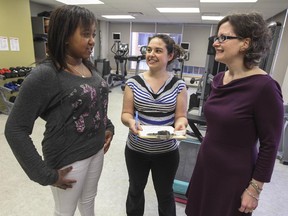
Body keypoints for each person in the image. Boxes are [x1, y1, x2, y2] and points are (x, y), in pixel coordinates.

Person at [5, 5, 114, 216]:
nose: (92, 40)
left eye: (93, 34)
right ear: (64, 36)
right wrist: (45, 174)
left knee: (89, 200)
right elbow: (15, 129)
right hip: (69, 157)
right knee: (65, 211)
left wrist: (107, 126)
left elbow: (95, 103)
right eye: (85, 34)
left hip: (96, 150)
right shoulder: (45, 75)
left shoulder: (89, 66)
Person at [185, 12, 284, 216]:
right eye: (216, 38)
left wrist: (254, 190)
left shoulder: (265, 87)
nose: (215, 43)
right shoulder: (220, 79)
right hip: (206, 166)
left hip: (234, 175)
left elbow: (270, 144)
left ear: (245, 43)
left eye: (223, 38)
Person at [121, 34, 188, 216]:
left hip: (166, 152)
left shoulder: (179, 85)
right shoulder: (133, 83)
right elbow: (126, 114)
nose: (151, 54)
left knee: (165, 194)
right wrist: (131, 122)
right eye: (149, 50)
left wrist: (181, 125)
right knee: (135, 190)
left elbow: (181, 116)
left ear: (170, 55)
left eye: (158, 50)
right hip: (136, 150)